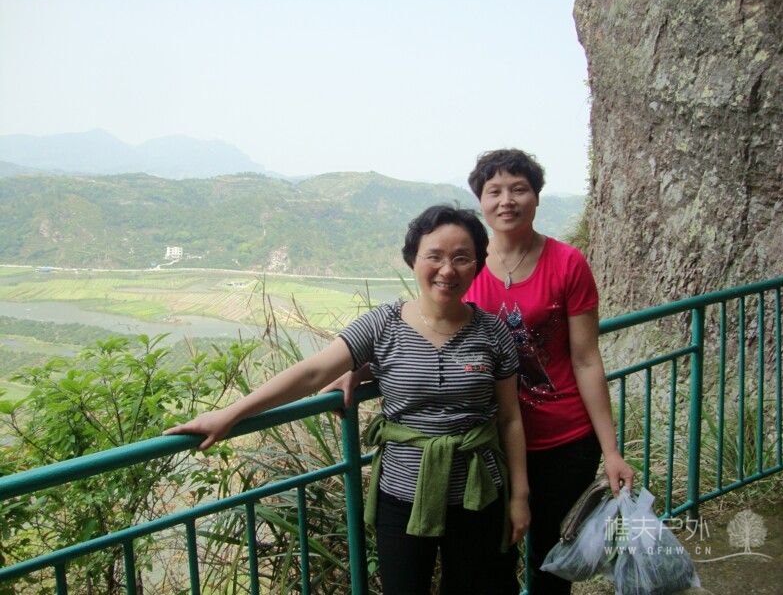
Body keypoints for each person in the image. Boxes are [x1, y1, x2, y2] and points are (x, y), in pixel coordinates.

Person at [165, 205, 530, 595]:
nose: (447, 270)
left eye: (461, 258)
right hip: (402, 495)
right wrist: (231, 414)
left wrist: (520, 497)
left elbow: (509, 419)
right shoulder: (384, 324)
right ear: (413, 259)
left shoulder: (493, 333)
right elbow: (313, 372)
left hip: (479, 494)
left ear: (477, 265)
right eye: (434, 256)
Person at [464, 148, 634, 594]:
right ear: (481, 201)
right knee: (493, 558)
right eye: (494, 191)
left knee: (552, 563)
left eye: (519, 189)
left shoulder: (566, 263)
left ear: (536, 197)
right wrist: (363, 368)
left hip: (564, 440)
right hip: (492, 442)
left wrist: (611, 451)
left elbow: (586, 359)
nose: (507, 200)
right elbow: (430, 332)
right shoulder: (466, 266)